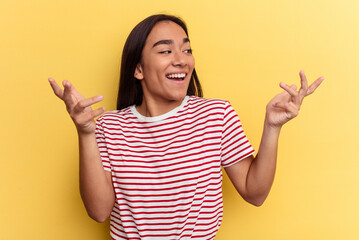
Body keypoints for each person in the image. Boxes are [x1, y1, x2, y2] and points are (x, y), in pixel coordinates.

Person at [48, 14, 324, 240]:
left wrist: (272, 127)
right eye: (166, 50)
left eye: (187, 49)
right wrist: (85, 133)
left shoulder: (216, 115)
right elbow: (98, 211)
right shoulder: (109, 126)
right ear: (138, 69)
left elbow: (255, 193)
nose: (182, 59)